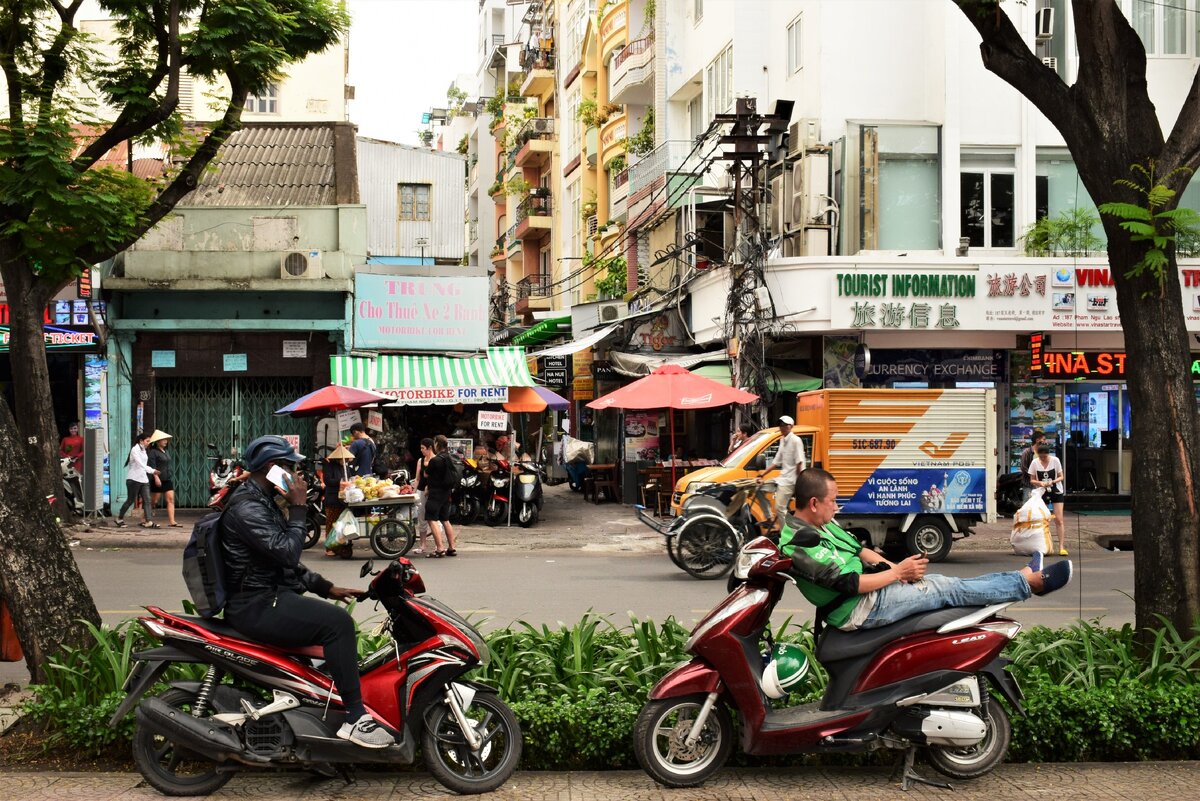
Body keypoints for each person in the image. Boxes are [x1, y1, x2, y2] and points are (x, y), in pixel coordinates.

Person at [219, 435, 393, 748]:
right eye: (289, 467)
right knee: (338, 624)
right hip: (256, 604)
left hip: (267, 596)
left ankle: (314, 713)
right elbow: (286, 553)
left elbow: (279, 561)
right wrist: (299, 508)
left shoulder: (261, 500)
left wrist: (325, 587)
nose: (295, 475)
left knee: (326, 626)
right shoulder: (248, 507)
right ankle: (355, 718)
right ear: (272, 468)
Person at [781, 468, 1073, 632]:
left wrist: (897, 569)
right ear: (814, 503)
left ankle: (1019, 577)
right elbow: (849, 583)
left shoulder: (822, 524)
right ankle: (1029, 583)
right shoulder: (798, 541)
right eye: (832, 501)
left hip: (869, 593)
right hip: (858, 609)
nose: (836, 506)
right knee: (946, 589)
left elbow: (860, 552)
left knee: (942, 581)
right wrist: (898, 573)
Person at [759, 415, 807, 529]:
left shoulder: (795, 440)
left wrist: (799, 483)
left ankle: (786, 533)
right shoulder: (782, 440)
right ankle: (769, 518)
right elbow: (776, 462)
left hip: (791, 481)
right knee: (758, 489)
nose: (782, 427)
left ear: (791, 426)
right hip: (781, 479)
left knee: (780, 508)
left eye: (785, 425)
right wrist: (762, 474)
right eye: (780, 425)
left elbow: (799, 462)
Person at [422, 434, 459, 558]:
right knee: (445, 520)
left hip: (436, 493)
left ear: (437, 444)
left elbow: (426, 474)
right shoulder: (449, 457)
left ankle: (439, 548)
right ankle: (452, 547)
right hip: (446, 493)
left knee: (431, 519)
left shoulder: (435, 460)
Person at [1028, 441, 1068, 555]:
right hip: (1041, 491)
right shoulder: (1035, 462)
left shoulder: (1055, 460)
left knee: (1059, 519)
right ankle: (1043, 545)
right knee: (1042, 519)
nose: (1043, 459)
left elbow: (1061, 476)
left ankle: (1061, 546)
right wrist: (1040, 483)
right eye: (1041, 457)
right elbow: (1032, 479)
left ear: (1048, 454)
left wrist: (1053, 481)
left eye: (1045, 457)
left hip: (1056, 490)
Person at [115, 431, 159, 528]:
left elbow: (144, 465)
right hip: (134, 479)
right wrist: (152, 471)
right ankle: (119, 518)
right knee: (130, 500)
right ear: (141, 441)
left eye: (149, 441)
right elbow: (140, 464)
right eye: (147, 441)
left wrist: (152, 471)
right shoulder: (135, 450)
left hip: (143, 479)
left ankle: (148, 521)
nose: (149, 443)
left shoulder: (144, 450)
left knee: (147, 500)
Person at [147, 430, 181, 527]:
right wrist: (156, 477)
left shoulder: (166, 451)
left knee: (170, 499)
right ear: (158, 441)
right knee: (154, 501)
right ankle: (144, 518)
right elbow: (152, 466)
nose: (166, 441)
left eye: (166, 440)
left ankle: (172, 521)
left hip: (167, 479)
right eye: (163, 440)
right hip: (157, 479)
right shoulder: (153, 452)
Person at [413, 438, 436, 555]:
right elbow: (417, 478)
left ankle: (438, 545)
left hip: (433, 492)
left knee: (434, 518)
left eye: (423, 448)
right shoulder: (420, 460)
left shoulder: (436, 460)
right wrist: (413, 492)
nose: (421, 450)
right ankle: (423, 545)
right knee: (421, 517)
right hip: (421, 491)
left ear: (429, 448)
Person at [1018, 429, 1045, 502]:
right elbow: (1023, 467)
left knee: (1039, 505)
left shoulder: (1042, 453)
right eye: (1043, 439)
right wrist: (1033, 476)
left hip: (1040, 485)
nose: (1044, 441)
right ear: (1037, 440)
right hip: (1029, 485)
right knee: (1028, 504)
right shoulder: (1027, 452)